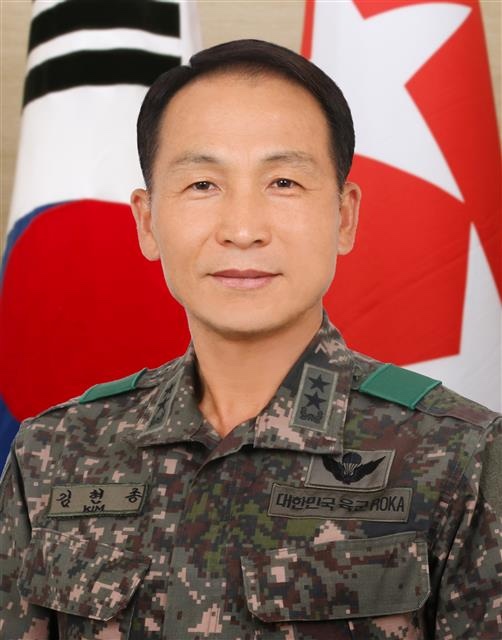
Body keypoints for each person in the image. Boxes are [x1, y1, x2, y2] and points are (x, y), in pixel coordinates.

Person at [0, 39, 500, 640]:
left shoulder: (461, 456)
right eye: (202, 185)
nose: (242, 230)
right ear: (147, 221)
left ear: (344, 216)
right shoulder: (55, 451)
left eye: (283, 181)